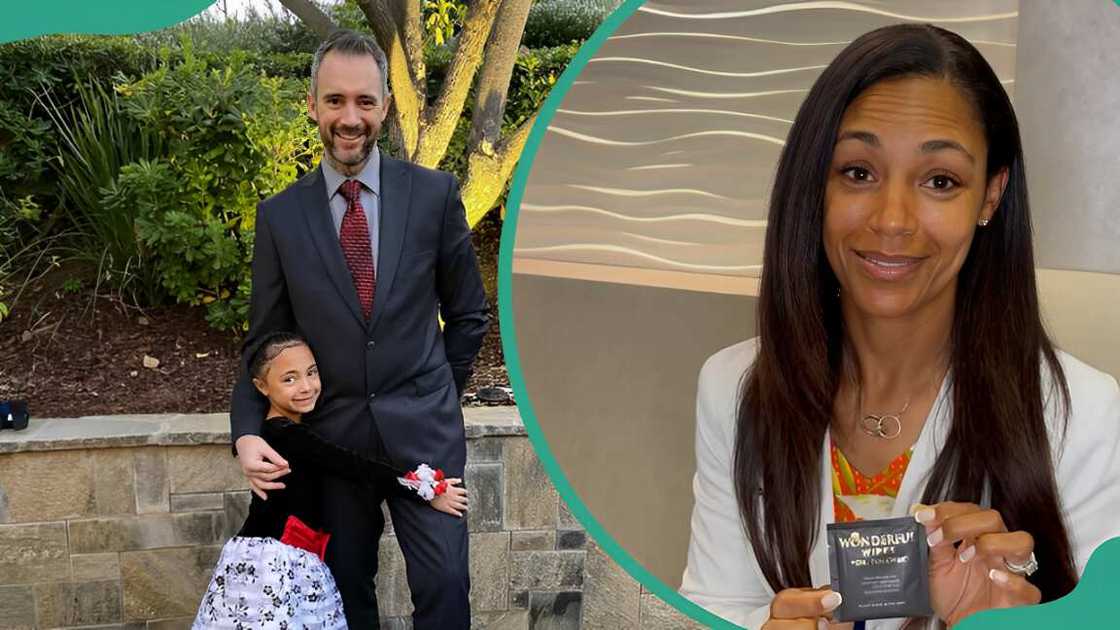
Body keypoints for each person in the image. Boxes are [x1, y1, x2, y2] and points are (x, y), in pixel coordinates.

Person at [679, 23, 1120, 630]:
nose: (892, 220)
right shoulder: (736, 387)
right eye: (858, 172)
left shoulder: (1084, 413)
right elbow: (712, 603)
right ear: (816, 185)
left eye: (940, 181)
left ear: (990, 196)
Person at [228, 29, 490, 629]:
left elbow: (469, 312)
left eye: (365, 102)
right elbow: (263, 344)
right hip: (333, 440)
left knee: (447, 585)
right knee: (342, 592)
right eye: (336, 101)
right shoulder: (280, 217)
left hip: (425, 436)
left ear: (385, 107)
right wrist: (246, 433)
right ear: (314, 105)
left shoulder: (434, 195)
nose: (351, 117)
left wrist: (436, 392)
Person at [196, 332, 468, 629]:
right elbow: (356, 466)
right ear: (262, 387)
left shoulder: (287, 430)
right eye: (289, 379)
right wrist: (425, 491)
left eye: (311, 373)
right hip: (274, 563)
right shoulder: (285, 436)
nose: (306, 386)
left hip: (293, 554)